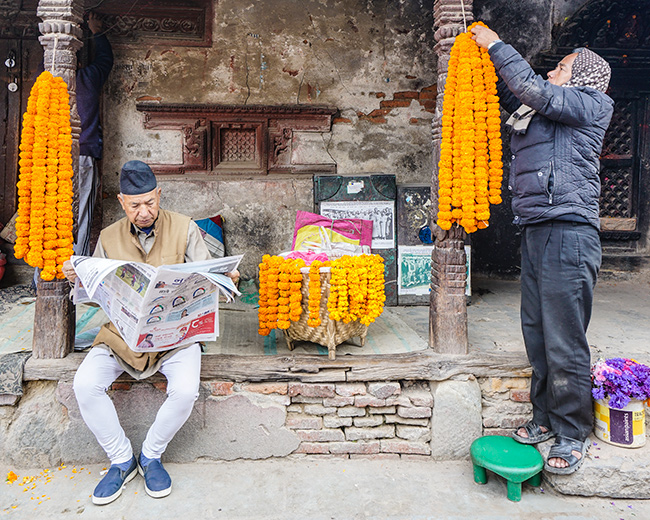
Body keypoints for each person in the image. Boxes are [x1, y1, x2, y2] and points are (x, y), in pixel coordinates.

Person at [471, 25, 614, 475]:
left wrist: (496, 46)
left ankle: (572, 432)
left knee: (564, 338)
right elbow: (519, 96)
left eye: (561, 66)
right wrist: (478, 65)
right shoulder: (543, 113)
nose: (552, 71)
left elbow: (534, 89)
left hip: (570, 233)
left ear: (582, 78)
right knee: (536, 331)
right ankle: (544, 419)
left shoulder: (591, 104)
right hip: (538, 228)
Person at [63, 160, 239, 505]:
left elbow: (207, 278)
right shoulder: (108, 237)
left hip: (175, 337)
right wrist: (78, 278)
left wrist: (223, 280)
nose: (144, 212)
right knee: (84, 385)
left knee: (186, 391)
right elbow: (96, 296)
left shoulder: (185, 227)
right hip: (122, 336)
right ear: (121, 202)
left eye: (150, 203)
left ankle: (151, 456)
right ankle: (121, 459)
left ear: (159, 195)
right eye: (135, 205)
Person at [76, 11, 114, 256]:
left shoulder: (44, 79)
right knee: (81, 216)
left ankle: (43, 276)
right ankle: (75, 272)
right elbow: (105, 59)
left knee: (48, 216)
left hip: (48, 160)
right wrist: (96, 31)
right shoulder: (87, 79)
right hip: (83, 156)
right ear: (78, 63)